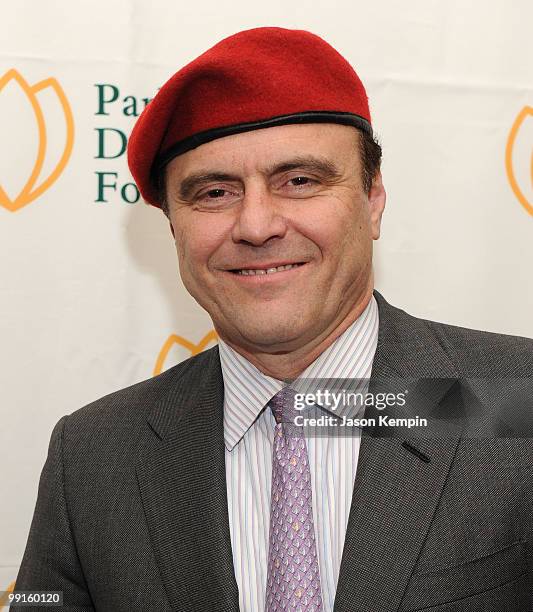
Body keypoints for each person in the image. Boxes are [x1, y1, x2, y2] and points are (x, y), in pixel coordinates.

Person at [13, 27, 533, 612]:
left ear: (373, 200)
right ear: (174, 229)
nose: (257, 226)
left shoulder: (516, 400)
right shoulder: (91, 455)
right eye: (213, 193)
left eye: (301, 181)